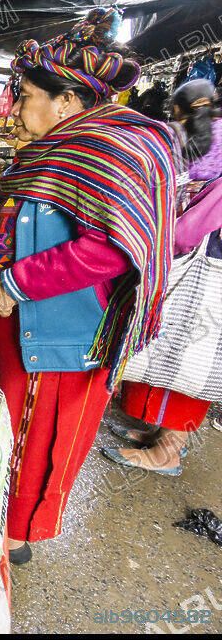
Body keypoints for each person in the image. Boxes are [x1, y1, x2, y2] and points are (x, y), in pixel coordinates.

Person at [0, 8, 176, 565]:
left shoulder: (109, 150)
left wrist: (17, 284)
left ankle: (14, 536)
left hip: (59, 332)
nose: (16, 108)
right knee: (16, 426)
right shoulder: (61, 148)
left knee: (41, 435)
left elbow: (111, 248)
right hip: (22, 328)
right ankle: (5, 520)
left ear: (67, 101)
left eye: (25, 96)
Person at [102, 79, 222, 475]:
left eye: (179, 118)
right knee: (173, 353)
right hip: (201, 256)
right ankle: (160, 436)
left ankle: (169, 451)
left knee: (192, 360)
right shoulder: (207, 143)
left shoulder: (214, 151)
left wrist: (149, 237)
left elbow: (188, 230)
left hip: (209, 269)